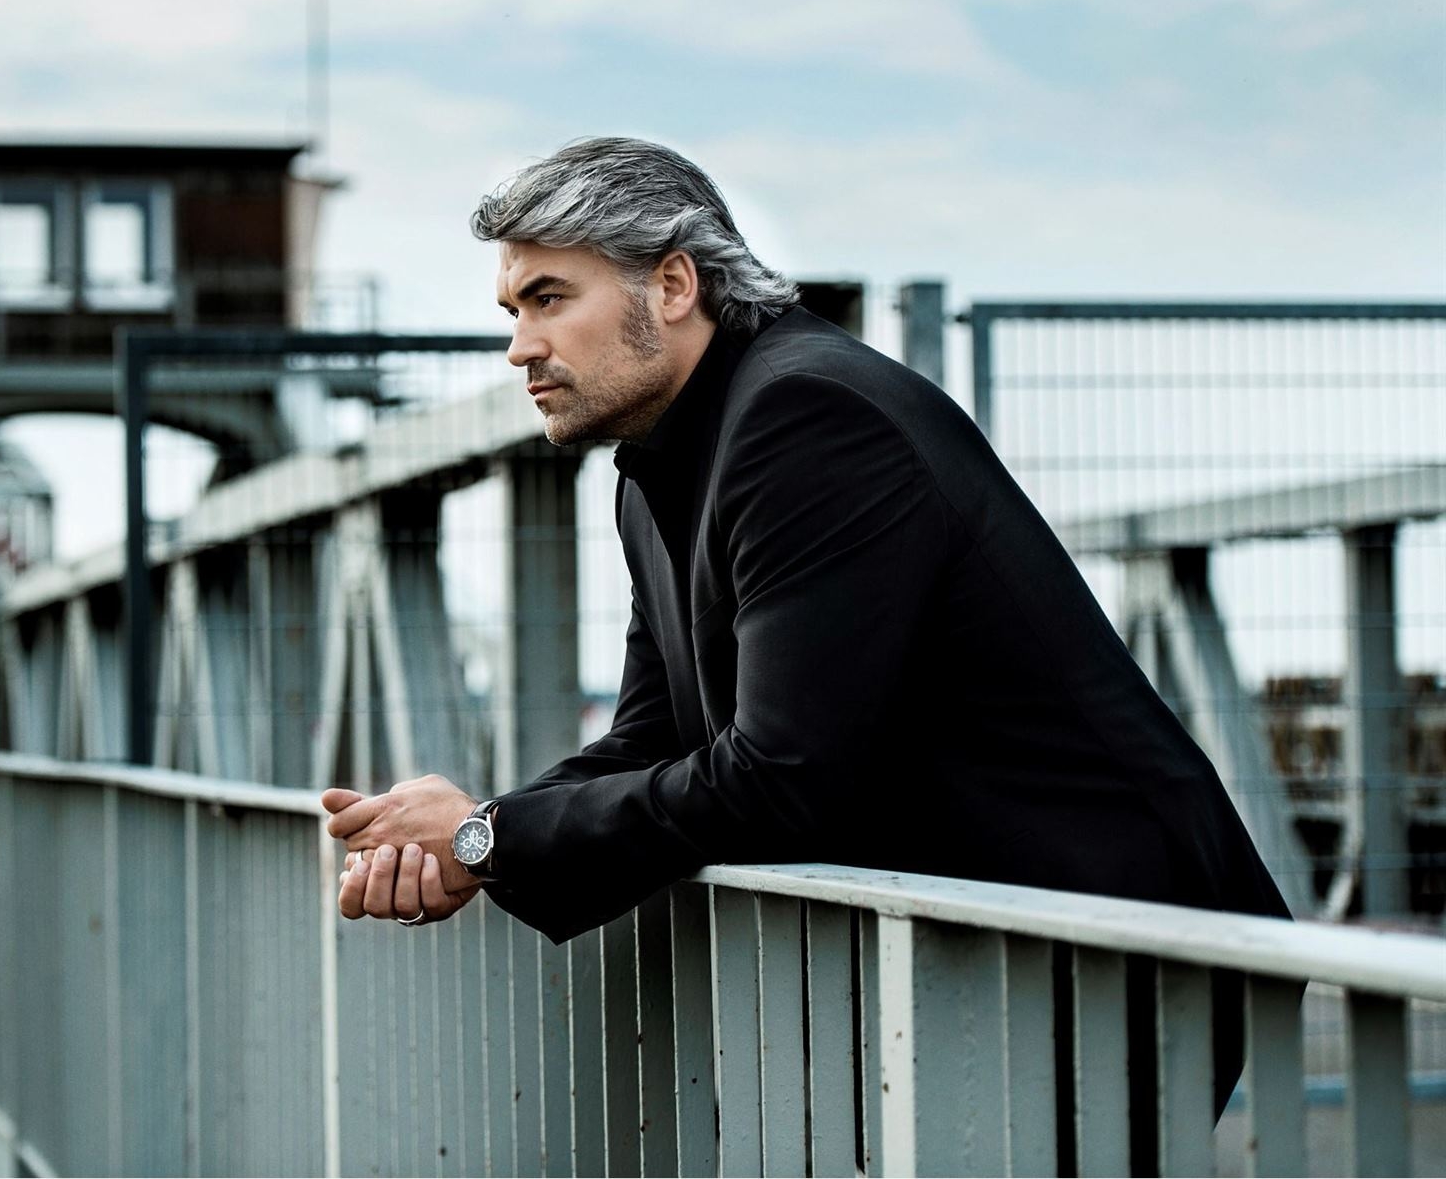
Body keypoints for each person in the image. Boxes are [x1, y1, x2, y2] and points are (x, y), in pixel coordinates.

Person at [320, 136, 1291, 1140]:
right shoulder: (660, 471)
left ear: (674, 284)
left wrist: (485, 838)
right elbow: (653, 740)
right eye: (513, 311)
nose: (521, 347)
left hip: (1100, 942)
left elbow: (784, 774)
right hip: (989, 952)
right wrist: (479, 835)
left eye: (550, 298)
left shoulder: (807, 414)